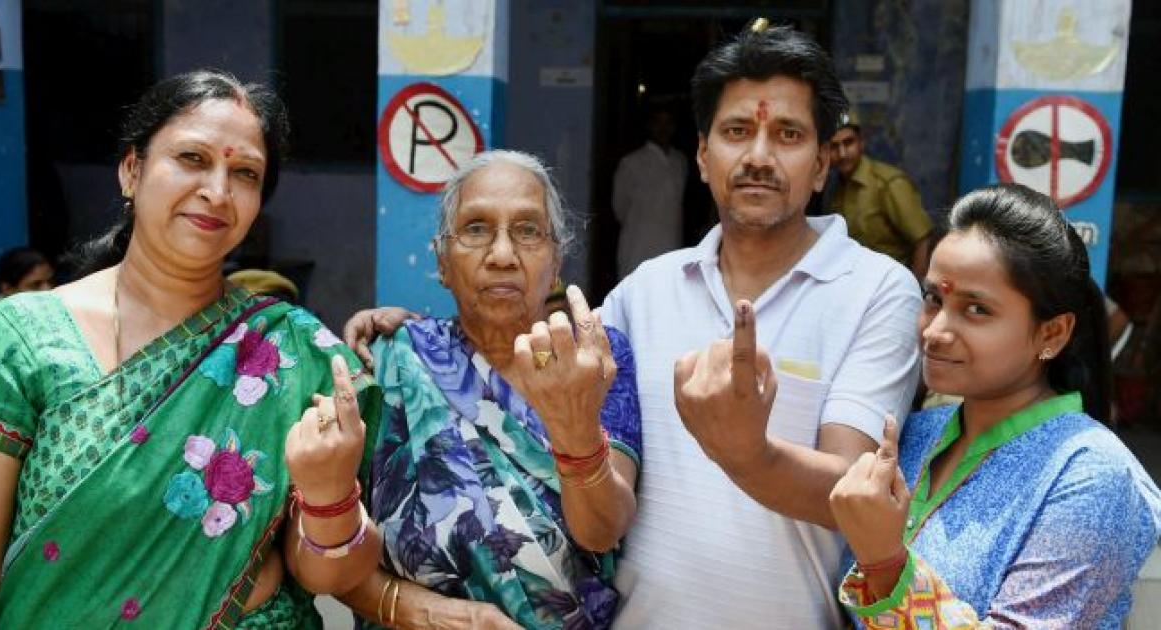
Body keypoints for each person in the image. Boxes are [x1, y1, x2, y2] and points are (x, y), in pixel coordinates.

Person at [344, 20, 921, 628]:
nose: (758, 156)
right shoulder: (647, 290)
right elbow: (527, 339)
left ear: (823, 163)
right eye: (736, 131)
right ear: (704, 156)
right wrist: (424, 336)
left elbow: (855, 491)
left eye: (788, 134)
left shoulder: (876, 291)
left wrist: (748, 453)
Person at [0, 69, 383, 628]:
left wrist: (329, 493)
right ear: (131, 171)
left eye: (245, 173)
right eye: (191, 159)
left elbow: (330, 577)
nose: (217, 191)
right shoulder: (22, 340)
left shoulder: (291, 352)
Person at [829, 183, 1161, 627]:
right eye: (934, 299)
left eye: (976, 310)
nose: (935, 331)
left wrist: (886, 563)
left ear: (1052, 333)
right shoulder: (919, 433)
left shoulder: (1092, 476)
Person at [337, 150, 642, 630]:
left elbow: (602, 532)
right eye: (476, 229)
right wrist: (432, 615)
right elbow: (324, 548)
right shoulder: (392, 362)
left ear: (556, 262)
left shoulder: (595, 358)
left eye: (528, 231)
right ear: (442, 261)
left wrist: (573, 427)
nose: (502, 255)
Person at [828, 110, 933, 279]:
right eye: (834, 146)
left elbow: (922, 241)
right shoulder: (833, 187)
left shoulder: (888, 183)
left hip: (891, 282)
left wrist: (916, 288)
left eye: (848, 143)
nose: (842, 154)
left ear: (861, 142)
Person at [612, 106, 687, 278]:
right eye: (658, 122)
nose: (663, 128)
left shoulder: (680, 162)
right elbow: (619, 209)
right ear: (649, 126)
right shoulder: (631, 163)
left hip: (671, 251)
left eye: (668, 123)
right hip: (637, 251)